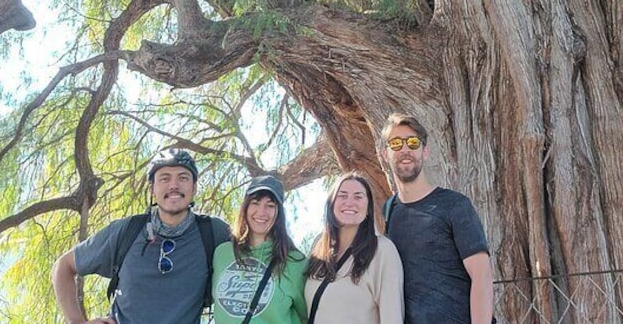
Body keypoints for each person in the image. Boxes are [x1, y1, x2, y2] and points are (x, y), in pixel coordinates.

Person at [51, 148, 230, 324]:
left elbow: (254, 256)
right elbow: (63, 267)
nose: (174, 185)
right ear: (152, 188)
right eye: (165, 178)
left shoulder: (214, 232)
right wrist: (76, 321)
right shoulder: (127, 230)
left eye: (183, 178)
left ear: (194, 188)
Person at [380, 113, 495, 323]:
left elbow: (482, 276)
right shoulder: (388, 213)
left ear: (425, 151)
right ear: (385, 154)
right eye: (395, 143)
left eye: (412, 142)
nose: (405, 149)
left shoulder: (454, 205)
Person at [304, 172, 404, 324]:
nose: (350, 203)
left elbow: (392, 316)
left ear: (368, 207)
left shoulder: (382, 250)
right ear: (331, 203)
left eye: (358, 196)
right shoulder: (319, 246)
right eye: (342, 196)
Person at [212, 174, 308, 323]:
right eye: (255, 203)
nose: (261, 212)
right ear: (245, 207)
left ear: (279, 213)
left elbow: (308, 316)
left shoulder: (295, 262)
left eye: (270, 205)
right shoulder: (222, 253)